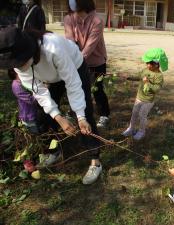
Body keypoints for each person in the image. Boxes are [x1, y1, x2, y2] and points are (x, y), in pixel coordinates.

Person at [0, 27, 102, 185]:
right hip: (51, 77)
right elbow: (39, 92)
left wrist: (80, 116)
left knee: (86, 113)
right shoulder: (17, 63)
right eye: (15, 64)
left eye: (20, 62)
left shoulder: (53, 48)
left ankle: (95, 159)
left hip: (74, 67)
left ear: (30, 50)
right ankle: (55, 149)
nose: (18, 67)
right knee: (45, 114)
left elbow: (73, 83)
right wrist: (59, 118)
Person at [64, 0, 110, 128]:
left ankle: (104, 114)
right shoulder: (68, 18)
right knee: (76, 87)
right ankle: (75, 111)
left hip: (96, 60)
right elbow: (70, 40)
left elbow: (90, 45)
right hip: (77, 60)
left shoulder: (97, 21)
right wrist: (73, 59)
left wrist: (77, 60)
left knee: (97, 89)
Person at [121, 48, 168, 140]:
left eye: (149, 63)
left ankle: (141, 131)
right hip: (139, 97)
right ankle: (131, 128)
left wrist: (147, 83)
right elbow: (139, 76)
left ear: (156, 64)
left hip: (148, 101)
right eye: (146, 63)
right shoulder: (145, 70)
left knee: (142, 115)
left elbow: (156, 89)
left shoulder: (159, 76)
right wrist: (128, 77)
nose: (147, 65)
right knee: (134, 113)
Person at [8, 70, 39, 134]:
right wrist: (42, 91)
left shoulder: (21, 82)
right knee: (35, 133)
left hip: (31, 111)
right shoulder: (16, 85)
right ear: (16, 72)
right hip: (28, 115)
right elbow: (31, 100)